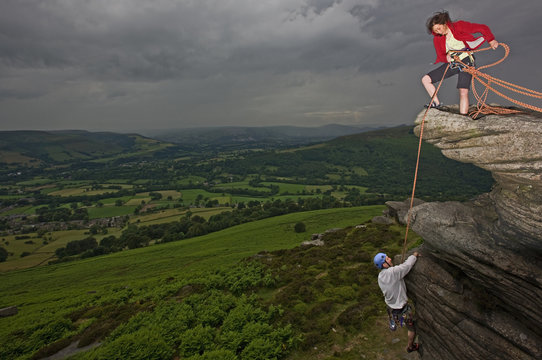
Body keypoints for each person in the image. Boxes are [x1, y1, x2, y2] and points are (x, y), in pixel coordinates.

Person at [421, 11, 499, 115]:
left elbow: (482, 28)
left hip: (466, 60)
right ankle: (436, 104)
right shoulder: (438, 39)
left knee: (463, 91)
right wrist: (446, 57)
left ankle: (463, 115)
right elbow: (441, 55)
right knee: (426, 79)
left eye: (439, 28)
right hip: (453, 63)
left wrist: (491, 40)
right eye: (436, 31)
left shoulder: (458, 26)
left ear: (444, 23)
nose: (438, 32)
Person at [374, 251, 420, 353]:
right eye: (387, 258)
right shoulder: (393, 272)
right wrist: (414, 255)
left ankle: (394, 322)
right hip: (402, 308)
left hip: (391, 306)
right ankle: (410, 346)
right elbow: (407, 266)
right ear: (384, 264)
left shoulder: (380, 276)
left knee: (397, 317)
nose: (390, 259)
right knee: (412, 329)